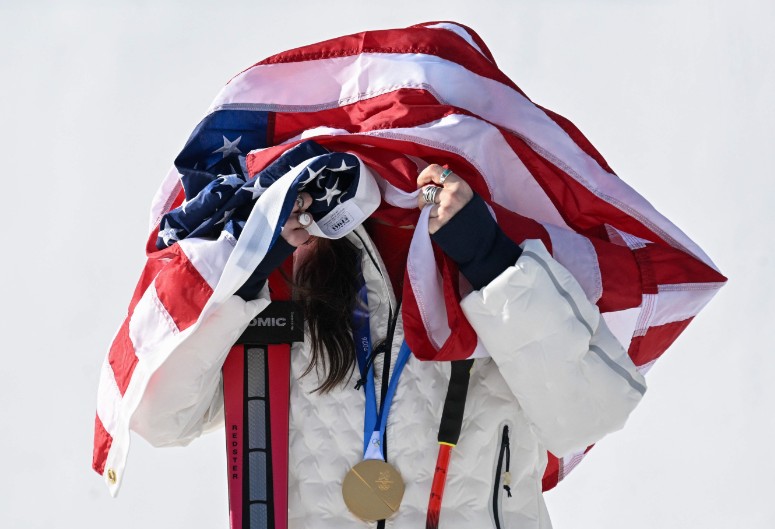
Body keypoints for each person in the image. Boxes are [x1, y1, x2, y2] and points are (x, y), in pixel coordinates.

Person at [134, 162, 647, 528]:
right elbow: (157, 417)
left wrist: (491, 260)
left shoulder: (497, 282)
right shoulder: (282, 293)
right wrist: (235, 284)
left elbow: (592, 411)